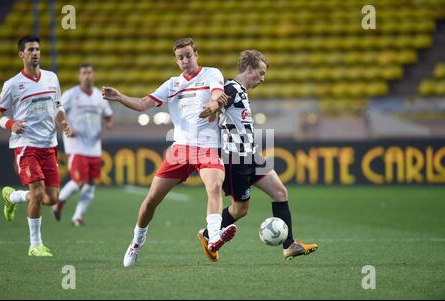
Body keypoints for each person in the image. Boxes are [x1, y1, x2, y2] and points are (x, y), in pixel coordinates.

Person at [102, 37, 236, 267]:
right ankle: (136, 241)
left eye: (188, 55)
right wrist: (119, 97)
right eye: (180, 57)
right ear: (176, 60)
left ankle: (213, 235)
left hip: (207, 147)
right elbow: (144, 103)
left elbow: (216, 95)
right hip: (180, 150)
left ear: (197, 54)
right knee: (151, 201)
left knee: (214, 187)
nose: (185, 60)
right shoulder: (172, 85)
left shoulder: (212, 73)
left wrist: (213, 105)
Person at [198, 50, 318, 262]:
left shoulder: (242, 92)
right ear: (248, 68)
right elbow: (217, 101)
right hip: (236, 159)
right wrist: (212, 107)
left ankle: (289, 245)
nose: (262, 79)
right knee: (240, 209)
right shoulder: (230, 88)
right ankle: (209, 234)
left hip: (251, 155)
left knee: (280, 192)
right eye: (260, 73)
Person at [0, 35, 74, 257]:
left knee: (52, 199)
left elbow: (58, 108)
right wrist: (9, 123)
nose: (35, 53)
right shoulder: (12, 84)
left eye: (37, 49)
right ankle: (35, 245)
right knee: (38, 194)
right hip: (26, 145)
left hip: (49, 145)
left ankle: (12, 197)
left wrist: (64, 122)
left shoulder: (51, 78)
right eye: (30, 50)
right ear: (22, 54)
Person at [51, 63, 114, 226]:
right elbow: (56, 111)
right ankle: (59, 201)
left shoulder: (100, 96)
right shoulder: (70, 95)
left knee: (92, 183)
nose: (87, 76)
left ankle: (77, 216)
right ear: (79, 76)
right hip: (76, 145)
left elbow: (108, 115)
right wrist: (67, 127)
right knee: (79, 181)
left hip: (94, 146)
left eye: (89, 73)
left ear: (93, 75)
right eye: (84, 73)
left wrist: (109, 123)